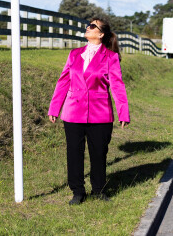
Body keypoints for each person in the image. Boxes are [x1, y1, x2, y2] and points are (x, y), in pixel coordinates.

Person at [48, 17, 130, 205]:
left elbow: (117, 86)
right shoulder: (74, 54)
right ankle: (77, 192)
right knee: (74, 153)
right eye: (88, 25)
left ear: (101, 34)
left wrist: (123, 112)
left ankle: (99, 190)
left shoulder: (111, 57)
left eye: (93, 26)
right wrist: (54, 107)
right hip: (73, 112)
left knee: (99, 154)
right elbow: (63, 81)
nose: (88, 27)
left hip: (100, 114)